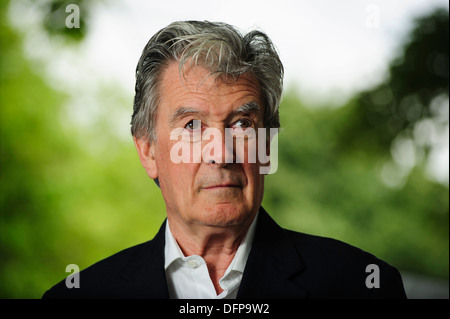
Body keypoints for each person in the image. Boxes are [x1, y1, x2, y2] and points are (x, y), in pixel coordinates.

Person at [43, 20, 406, 299]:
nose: (221, 152)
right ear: (148, 151)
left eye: (242, 124)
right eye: (192, 125)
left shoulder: (362, 286)